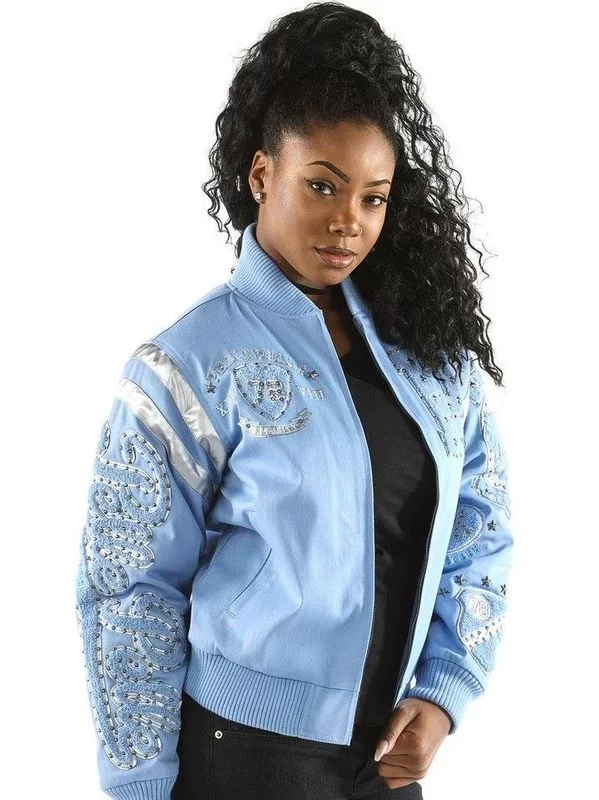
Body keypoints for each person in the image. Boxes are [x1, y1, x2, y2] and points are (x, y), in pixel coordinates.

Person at [74, 3, 513, 798]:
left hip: (386, 754)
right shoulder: (186, 363)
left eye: (372, 198)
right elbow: (128, 591)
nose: (347, 223)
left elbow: (479, 530)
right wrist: (141, 786)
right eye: (321, 186)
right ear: (260, 175)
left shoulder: (428, 355)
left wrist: (443, 691)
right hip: (243, 755)